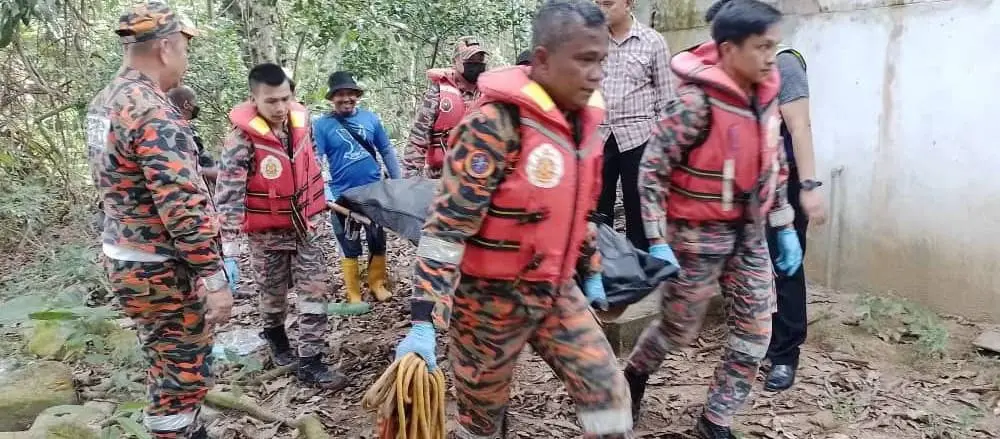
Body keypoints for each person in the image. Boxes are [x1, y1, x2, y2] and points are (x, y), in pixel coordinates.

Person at [393, 1, 633, 437]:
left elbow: (576, 211)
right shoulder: (492, 127)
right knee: (481, 421)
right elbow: (445, 231)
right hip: (487, 302)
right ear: (542, 59)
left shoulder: (582, 125)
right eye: (584, 60)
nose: (597, 73)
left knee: (607, 393)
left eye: (601, 60)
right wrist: (423, 320)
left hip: (555, 289)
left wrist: (592, 270)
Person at [621, 0, 802, 438]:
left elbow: (773, 164)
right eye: (760, 47)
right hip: (695, 236)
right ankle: (633, 379)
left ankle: (714, 420)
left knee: (756, 331)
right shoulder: (693, 104)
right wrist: (657, 238)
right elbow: (650, 173)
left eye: (772, 46)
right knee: (678, 329)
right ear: (727, 49)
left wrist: (783, 225)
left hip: (750, 236)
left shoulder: (764, 97)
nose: (768, 56)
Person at [85, 3, 232, 438]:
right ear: (166, 48)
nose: (186, 61)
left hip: (127, 257)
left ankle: (184, 428)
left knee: (165, 359)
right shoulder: (152, 111)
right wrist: (214, 277)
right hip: (159, 267)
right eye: (185, 50)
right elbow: (182, 204)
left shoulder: (106, 100)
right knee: (184, 370)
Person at [215, 63, 346, 389]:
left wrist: (321, 192)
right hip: (266, 233)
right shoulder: (240, 139)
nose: (279, 108)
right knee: (273, 297)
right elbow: (229, 193)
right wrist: (228, 246)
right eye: (271, 101)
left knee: (314, 291)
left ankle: (310, 361)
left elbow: (311, 160)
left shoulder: (304, 123)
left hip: (306, 226)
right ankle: (275, 335)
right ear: (254, 99)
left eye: (285, 99)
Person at [762, 45, 828, 391]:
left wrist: (809, 186)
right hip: (750, 183)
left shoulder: (784, 64)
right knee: (757, 268)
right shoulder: (732, 67)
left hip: (784, 185)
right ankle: (763, 341)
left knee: (784, 267)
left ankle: (785, 354)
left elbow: (799, 128)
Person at [313, 71, 402, 306]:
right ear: (332, 98)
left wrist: (398, 181)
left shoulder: (370, 119)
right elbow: (314, 160)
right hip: (342, 195)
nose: (346, 99)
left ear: (356, 96)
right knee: (347, 241)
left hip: (374, 191)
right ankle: (353, 292)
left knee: (376, 238)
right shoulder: (322, 125)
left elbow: (386, 151)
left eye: (350, 94)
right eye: (340, 94)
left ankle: (377, 283)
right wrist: (323, 191)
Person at [594, 0, 673, 251]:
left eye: (608, 3)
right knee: (597, 208)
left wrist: (662, 147)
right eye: (598, 3)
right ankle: (601, 268)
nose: (602, 8)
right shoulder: (591, 40)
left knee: (639, 209)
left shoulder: (652, 41)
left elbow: (666, 99)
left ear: (629, 3)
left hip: (639, 137)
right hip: (599, 135)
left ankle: (639, 268)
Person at [402, 36, 489, 179]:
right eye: (470, 59)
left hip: (480, 178)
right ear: (455, 61)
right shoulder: (437, 93)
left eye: (480, 59)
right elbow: (418, 139)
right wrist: (411, 182)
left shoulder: (489, 94)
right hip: (442, 178)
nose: (476, 63)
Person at [166, 86, 220, 189]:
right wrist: (206, 171)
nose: (196, 106)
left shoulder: (187, 128)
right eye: (194, 102)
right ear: (186, 105)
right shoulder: (177, 131)